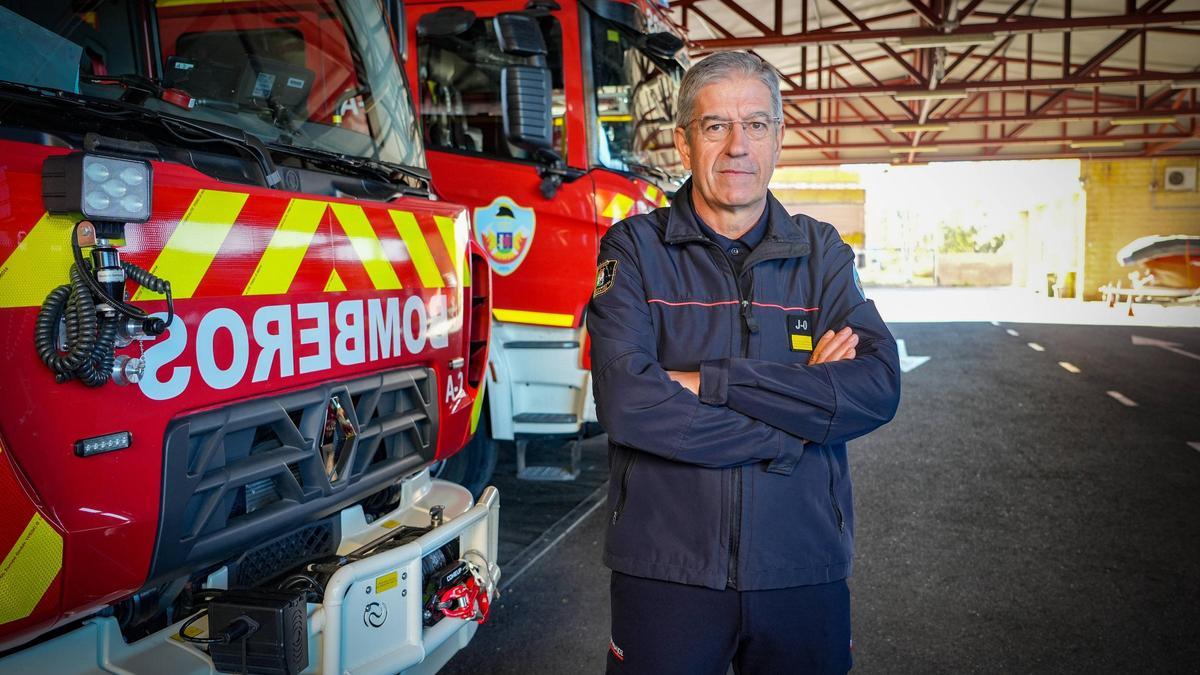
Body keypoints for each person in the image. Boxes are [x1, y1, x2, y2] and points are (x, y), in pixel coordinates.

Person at [587, 51, 902, 674]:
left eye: (756, 125)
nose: (738, 146)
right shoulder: (636, 248)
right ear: (684, 142)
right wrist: (792, 427)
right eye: (716, 126)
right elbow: (628, 403)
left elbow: (877, 386)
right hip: (666, 572)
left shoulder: (821, 252)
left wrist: (712, 381)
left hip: (801, 566)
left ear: (778, 138)